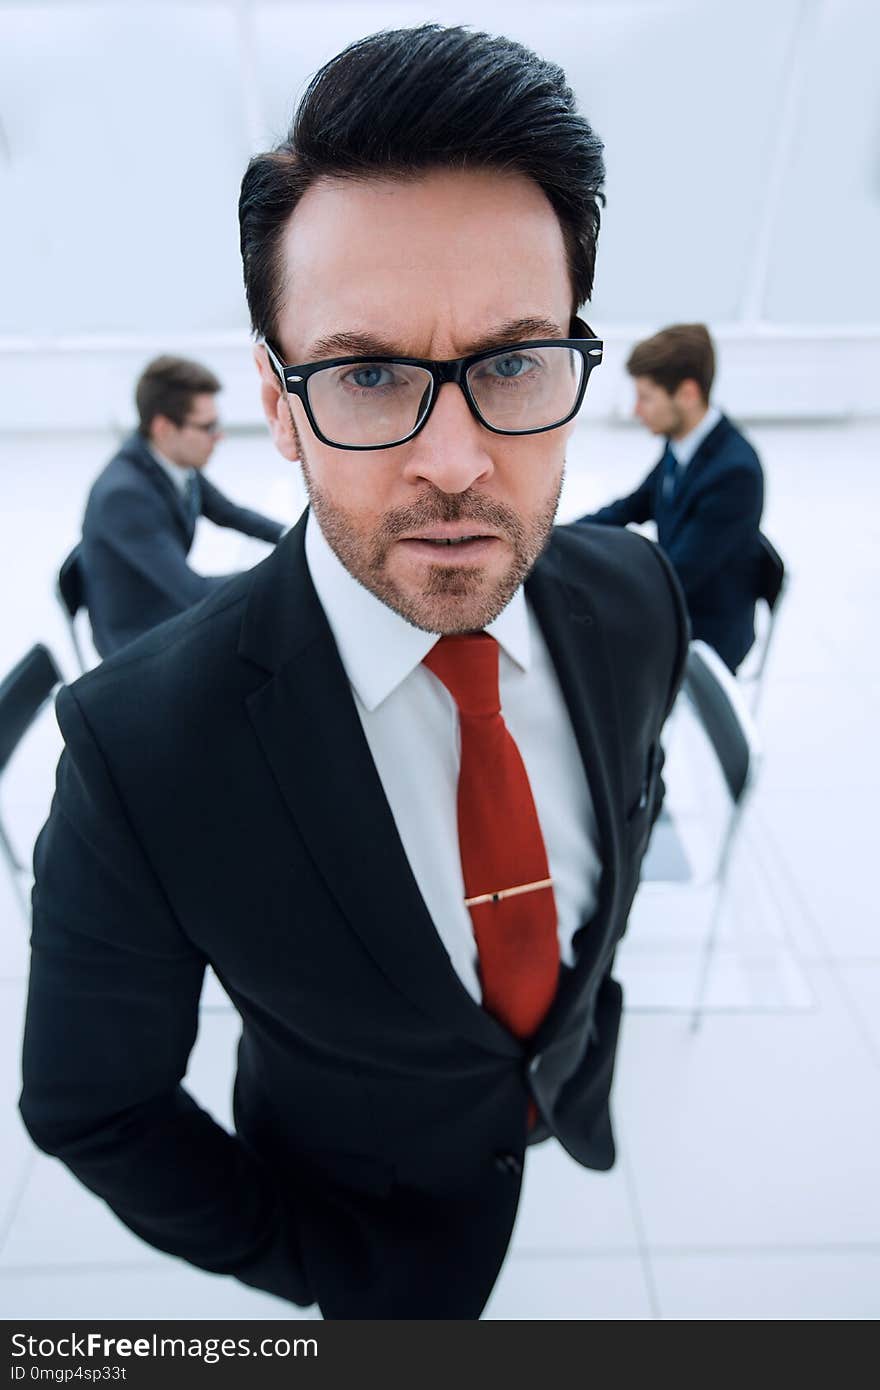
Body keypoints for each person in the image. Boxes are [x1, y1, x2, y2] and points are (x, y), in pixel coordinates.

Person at [21, 25, 688, 1319]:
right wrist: (324, 1261)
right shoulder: (140, 754)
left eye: (510, 361)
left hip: (563, 1095)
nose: (454, 458)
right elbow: (91, 1105)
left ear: (572, 364)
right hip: (367, 1223)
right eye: (370, 373)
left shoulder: (636, 599)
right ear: (276, 402)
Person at [580, 324, 763, 671]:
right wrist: (567, 535)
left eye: (646, 397)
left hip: (707, 632)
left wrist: (597, 581)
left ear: (688, 394)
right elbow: (636, 504)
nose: (636, 410)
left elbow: (678, 575)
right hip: (679, 596)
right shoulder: (683, 439)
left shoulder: (735, 474)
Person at [80, 355, 285, 656]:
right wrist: (285, 572)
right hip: (138, 641)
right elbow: (194, 592)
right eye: (207, 427)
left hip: (165, 603)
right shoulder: (124, 496)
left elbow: (229, 513)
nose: (219, 436)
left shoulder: (169, 460)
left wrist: (293, 534)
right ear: (164, 427)